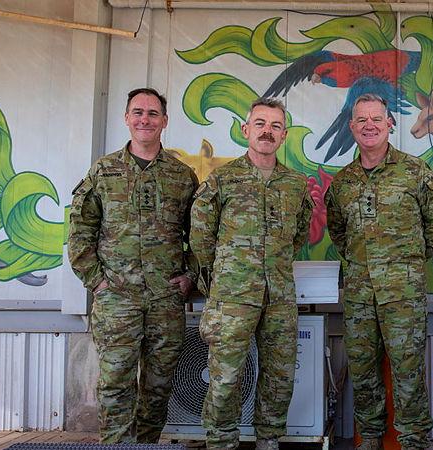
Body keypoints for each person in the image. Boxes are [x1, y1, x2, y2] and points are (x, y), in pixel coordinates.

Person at [68, 87, 198, 443]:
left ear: (165, 122)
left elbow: (199, 237)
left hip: (165, 299)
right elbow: (80, 230)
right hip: (116, 298)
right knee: (115, 384)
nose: (145, 119)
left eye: (153, 113)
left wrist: (189, 277)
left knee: (158, 386)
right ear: (126, 118)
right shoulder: (104, 172)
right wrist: (96, 281)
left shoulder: (182, 176)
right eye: (138, 112)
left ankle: (146, 445)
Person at [325, 93, 433, 450]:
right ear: (352, 127)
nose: (369, 126)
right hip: (361, 293)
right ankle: (371, 440)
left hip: (403, 294)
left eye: (376, 119)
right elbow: (338, 231)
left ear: (390, 124)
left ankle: (413, 441)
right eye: (361, 120)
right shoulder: (343, 182)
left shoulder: (415, 172)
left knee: (408, 371)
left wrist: (408, 262)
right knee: (363, 371)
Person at [190, 98, 313, 450]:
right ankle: (221, 442)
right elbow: (200, 235)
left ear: (284, 135)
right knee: (226, 376)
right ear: (246, 130)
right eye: (260, 123)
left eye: (275, 126)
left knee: (279, 376)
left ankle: (268, 440)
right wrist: (223, 276)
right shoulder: (223, 180)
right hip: (232, 295)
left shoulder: (295, 184)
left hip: (279, 297)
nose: (267, 131)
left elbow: (298, 234)